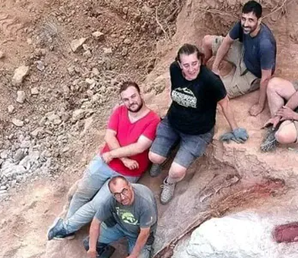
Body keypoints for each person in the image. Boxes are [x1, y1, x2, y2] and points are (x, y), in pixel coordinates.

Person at [47, 82, 161, 240]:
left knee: (98, 204)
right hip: (106, 161)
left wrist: (115, 155)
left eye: (133, 96)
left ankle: (65, 228)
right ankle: (70, 229)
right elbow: (109, 136)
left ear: (140, 94)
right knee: (82, 193)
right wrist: (122, 158)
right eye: (126, 99)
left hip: (126, 173)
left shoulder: (152, 120)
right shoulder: (119, 111)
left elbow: (140, 147)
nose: (131, 101)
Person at [148, 43, 248, 204]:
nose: (191, 69)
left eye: (194, 63)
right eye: (186, 65)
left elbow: (225, 103)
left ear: (200, 60)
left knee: (176, 171)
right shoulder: (174, 70)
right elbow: (176, 92)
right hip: (173, 122)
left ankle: (169, 182)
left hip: (197, 132)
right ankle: (165, 154)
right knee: (154, 157)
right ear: (179, 64)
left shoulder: (210, 81)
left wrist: (235, 128)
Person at [83, 176, 157, 258]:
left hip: (139, 235)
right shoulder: (112, 200)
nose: (122, 197)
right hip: (120, 226)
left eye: (124, 191)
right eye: (117, 194)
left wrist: (133, 257)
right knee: (89, 242)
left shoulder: (144, 203)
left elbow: (144, 233)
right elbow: (95, 223)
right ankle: (105, 254)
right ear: (112, 195)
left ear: (130, 186)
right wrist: (92, 248)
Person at [202, 0, 277, 116]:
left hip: (252, 73)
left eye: (251, 20)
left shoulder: (265, 45)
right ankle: (202, 66)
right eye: (244, 18)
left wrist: (260, 105)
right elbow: (227, 42)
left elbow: (266, 78)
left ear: (259, 20)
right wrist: (215, 68)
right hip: (244, 52)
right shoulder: (243, 25)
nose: (246, 24)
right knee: (207, 40)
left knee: (212, 90)